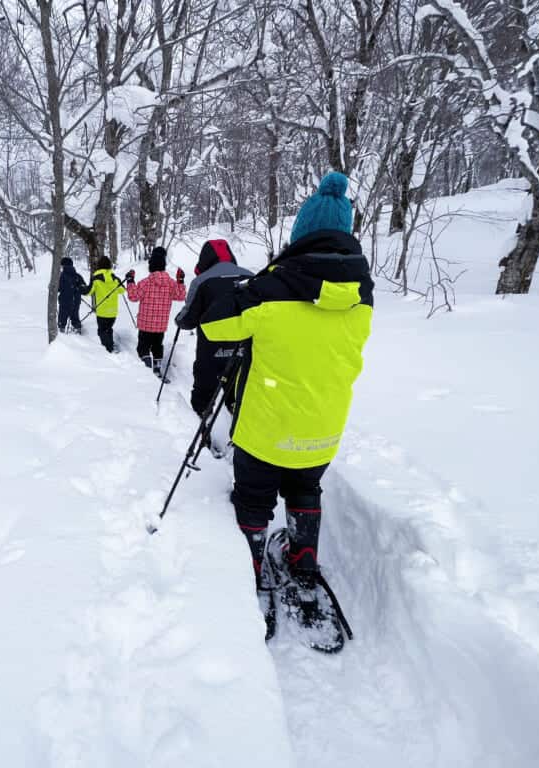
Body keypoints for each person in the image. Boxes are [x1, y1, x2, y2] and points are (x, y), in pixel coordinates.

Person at [198, 172, 373, 652]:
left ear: (300, 233)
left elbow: (216, 329)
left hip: (265, 428)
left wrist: (249, 290)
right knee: (305, 489)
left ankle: (255, 563)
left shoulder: (272, 288)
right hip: (323, 430)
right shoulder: (363, 294)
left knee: (254, 498)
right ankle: (303, 560)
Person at [174, 239, 253, 416]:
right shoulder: (250, 277)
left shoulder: (202, 281)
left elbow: (188, 319)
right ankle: (236, 422)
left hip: (210, 350)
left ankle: (202, 421)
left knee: (204, 390)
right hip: (242, 349)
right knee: (238, 390)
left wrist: (178, 320)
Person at [124, 246, 186, 377]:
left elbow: (133, 296)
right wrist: (180, 281)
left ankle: (146, 369)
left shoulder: (145, 283)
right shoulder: (171, 283)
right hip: (160, 325)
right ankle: (157, 368)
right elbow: (180, 296)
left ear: (151, 266)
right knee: (158, 346)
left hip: (145, 324)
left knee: (143, 347)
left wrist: (130, 281)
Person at [85, 255, 125, 353]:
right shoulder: (115, 278)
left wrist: (80, 288)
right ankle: (110, 345)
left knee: (102, 331)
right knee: (108, 328)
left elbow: (88, 292)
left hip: (102, 311)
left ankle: (108, 349)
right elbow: (122, 290)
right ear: (109, 266)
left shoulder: (96, 278)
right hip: (113, 312)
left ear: (99, 266)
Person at [57, 257, 87, 334]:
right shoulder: (77, 276)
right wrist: (77, 289)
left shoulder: (60, 276)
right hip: (76, 301)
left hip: (64, 301)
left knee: (62, 318)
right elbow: (84, 289)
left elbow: (57, 289)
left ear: (63, 265)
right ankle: (78, 329)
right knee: (75, 316)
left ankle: (61, 333)